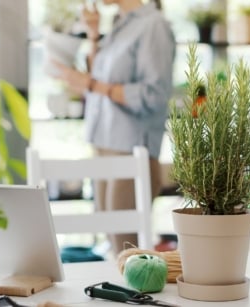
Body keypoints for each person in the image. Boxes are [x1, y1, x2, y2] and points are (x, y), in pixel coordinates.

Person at [52, 0, 176, 255]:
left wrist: (90, 84)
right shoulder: (120, 23)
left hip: (130, 150)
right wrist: (93, 35)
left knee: (126, 251)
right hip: (104, 143)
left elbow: (153, 95)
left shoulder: (153, 26)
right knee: (112, 246)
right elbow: (100, 75)